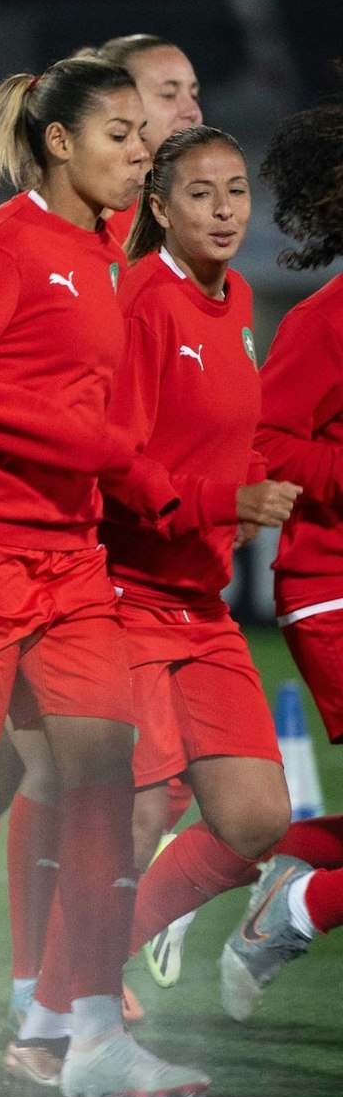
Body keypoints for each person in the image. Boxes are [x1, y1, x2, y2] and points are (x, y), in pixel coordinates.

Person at [0, 55, 209, 1097]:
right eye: (124, 129)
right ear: (58, 140)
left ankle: (77, 1028)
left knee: (108, 782)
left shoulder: (113, 248)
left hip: (68, 557)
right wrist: (97, 446)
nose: (146, 146)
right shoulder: (9, 246)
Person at [93, 126, 298, 1019]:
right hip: (122, 594)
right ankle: (75, 999)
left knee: (256, 820)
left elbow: (228, 436)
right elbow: (114, 462)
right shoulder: (143, 300)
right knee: (134, 815)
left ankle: (101, 951)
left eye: (237, 192)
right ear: (160, 207)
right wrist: (227, 502)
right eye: (202, 195)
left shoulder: (240, 297)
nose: (224, 211)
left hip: (198, 602)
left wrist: (260, 482)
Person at [225, 96, 343, 1017]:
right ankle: (297, 906)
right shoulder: (325, 320)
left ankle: (287, 870)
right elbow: (262, 441)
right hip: (331, 591)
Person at [95, 35, 203, 245]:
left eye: (194, 95)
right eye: (169, 95)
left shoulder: (186, 208)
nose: (193, 112)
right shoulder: (86, 214)